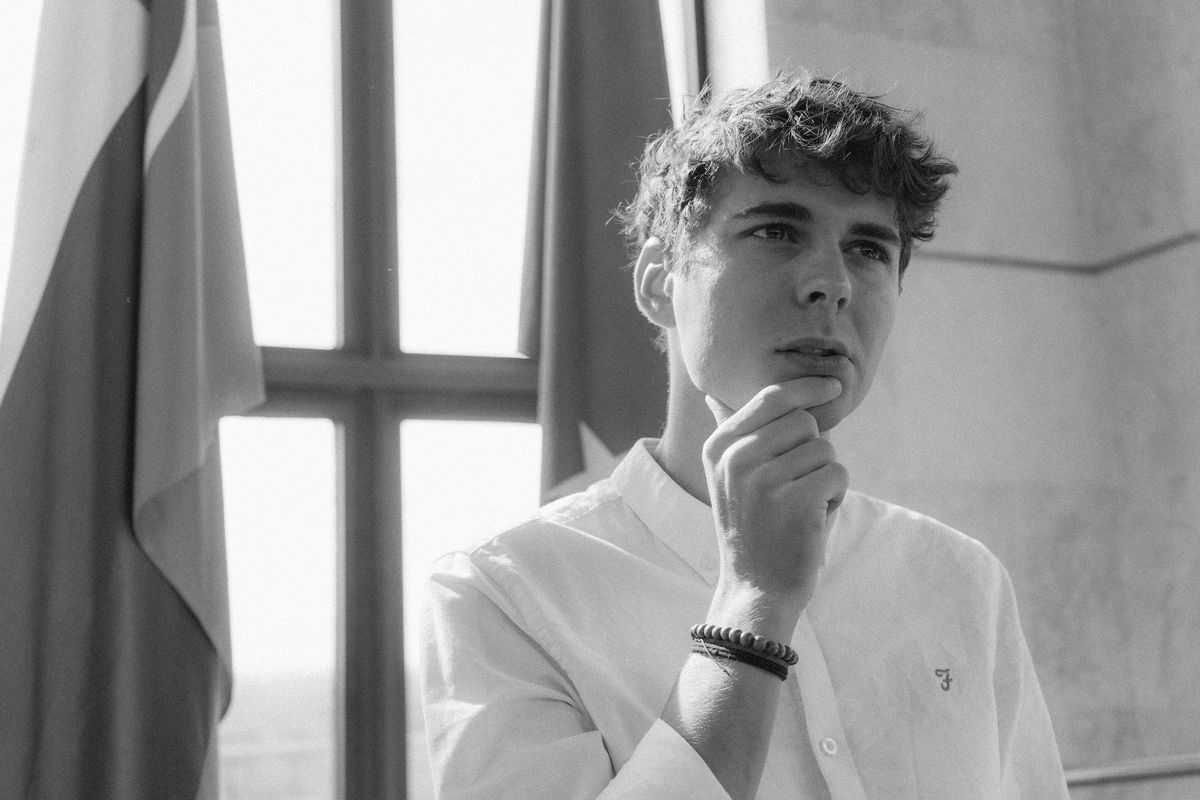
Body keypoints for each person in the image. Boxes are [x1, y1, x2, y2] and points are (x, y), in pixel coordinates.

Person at [420, 71, 1070, 799]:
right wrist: (753, 603)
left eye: (868, 249)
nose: (832, 283)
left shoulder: (960, 579)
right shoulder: (505, 591)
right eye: (776, 231)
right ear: (659, 280)